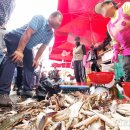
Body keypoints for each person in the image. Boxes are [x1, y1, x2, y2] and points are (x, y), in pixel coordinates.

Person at [0, 11, 63, 105]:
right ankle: (3, 93)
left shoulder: (50, 34)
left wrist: (36, 59)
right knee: (14, 58)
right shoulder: (40, 18)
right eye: (59, 19)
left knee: (31, 65)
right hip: (16, 37)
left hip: (28, 46)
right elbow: (27, 33)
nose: (60, 22)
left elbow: (42, 47)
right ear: (51, 17)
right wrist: (19, 50)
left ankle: (26, 90)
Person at [95, 0, 130, 81]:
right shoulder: (109, 26)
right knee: (127, 69)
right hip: (127, 50)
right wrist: (115, 51)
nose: (101, 11)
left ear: (111, 4)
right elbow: (115, 40)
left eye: (102, 7)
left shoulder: (125, 8)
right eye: (99, 11)